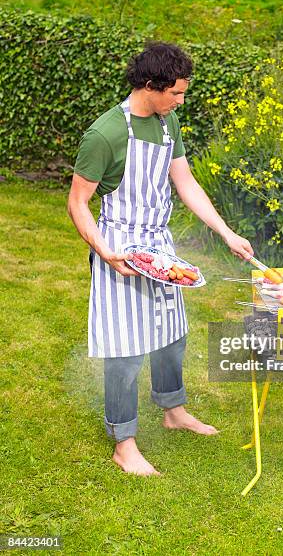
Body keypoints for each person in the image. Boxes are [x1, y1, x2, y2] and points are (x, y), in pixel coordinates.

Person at [68, 41, 253, 476]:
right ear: (151, 85)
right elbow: (78, 203)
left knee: (172, 335)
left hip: (160, 244)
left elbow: (185, 182)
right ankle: (124, 441)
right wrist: (104, 252)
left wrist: (226, 232)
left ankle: (173, 410)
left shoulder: (168, 126)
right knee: (125, 346)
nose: (181, 100)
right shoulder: (105, 133)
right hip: (118, 244)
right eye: (177, 93)